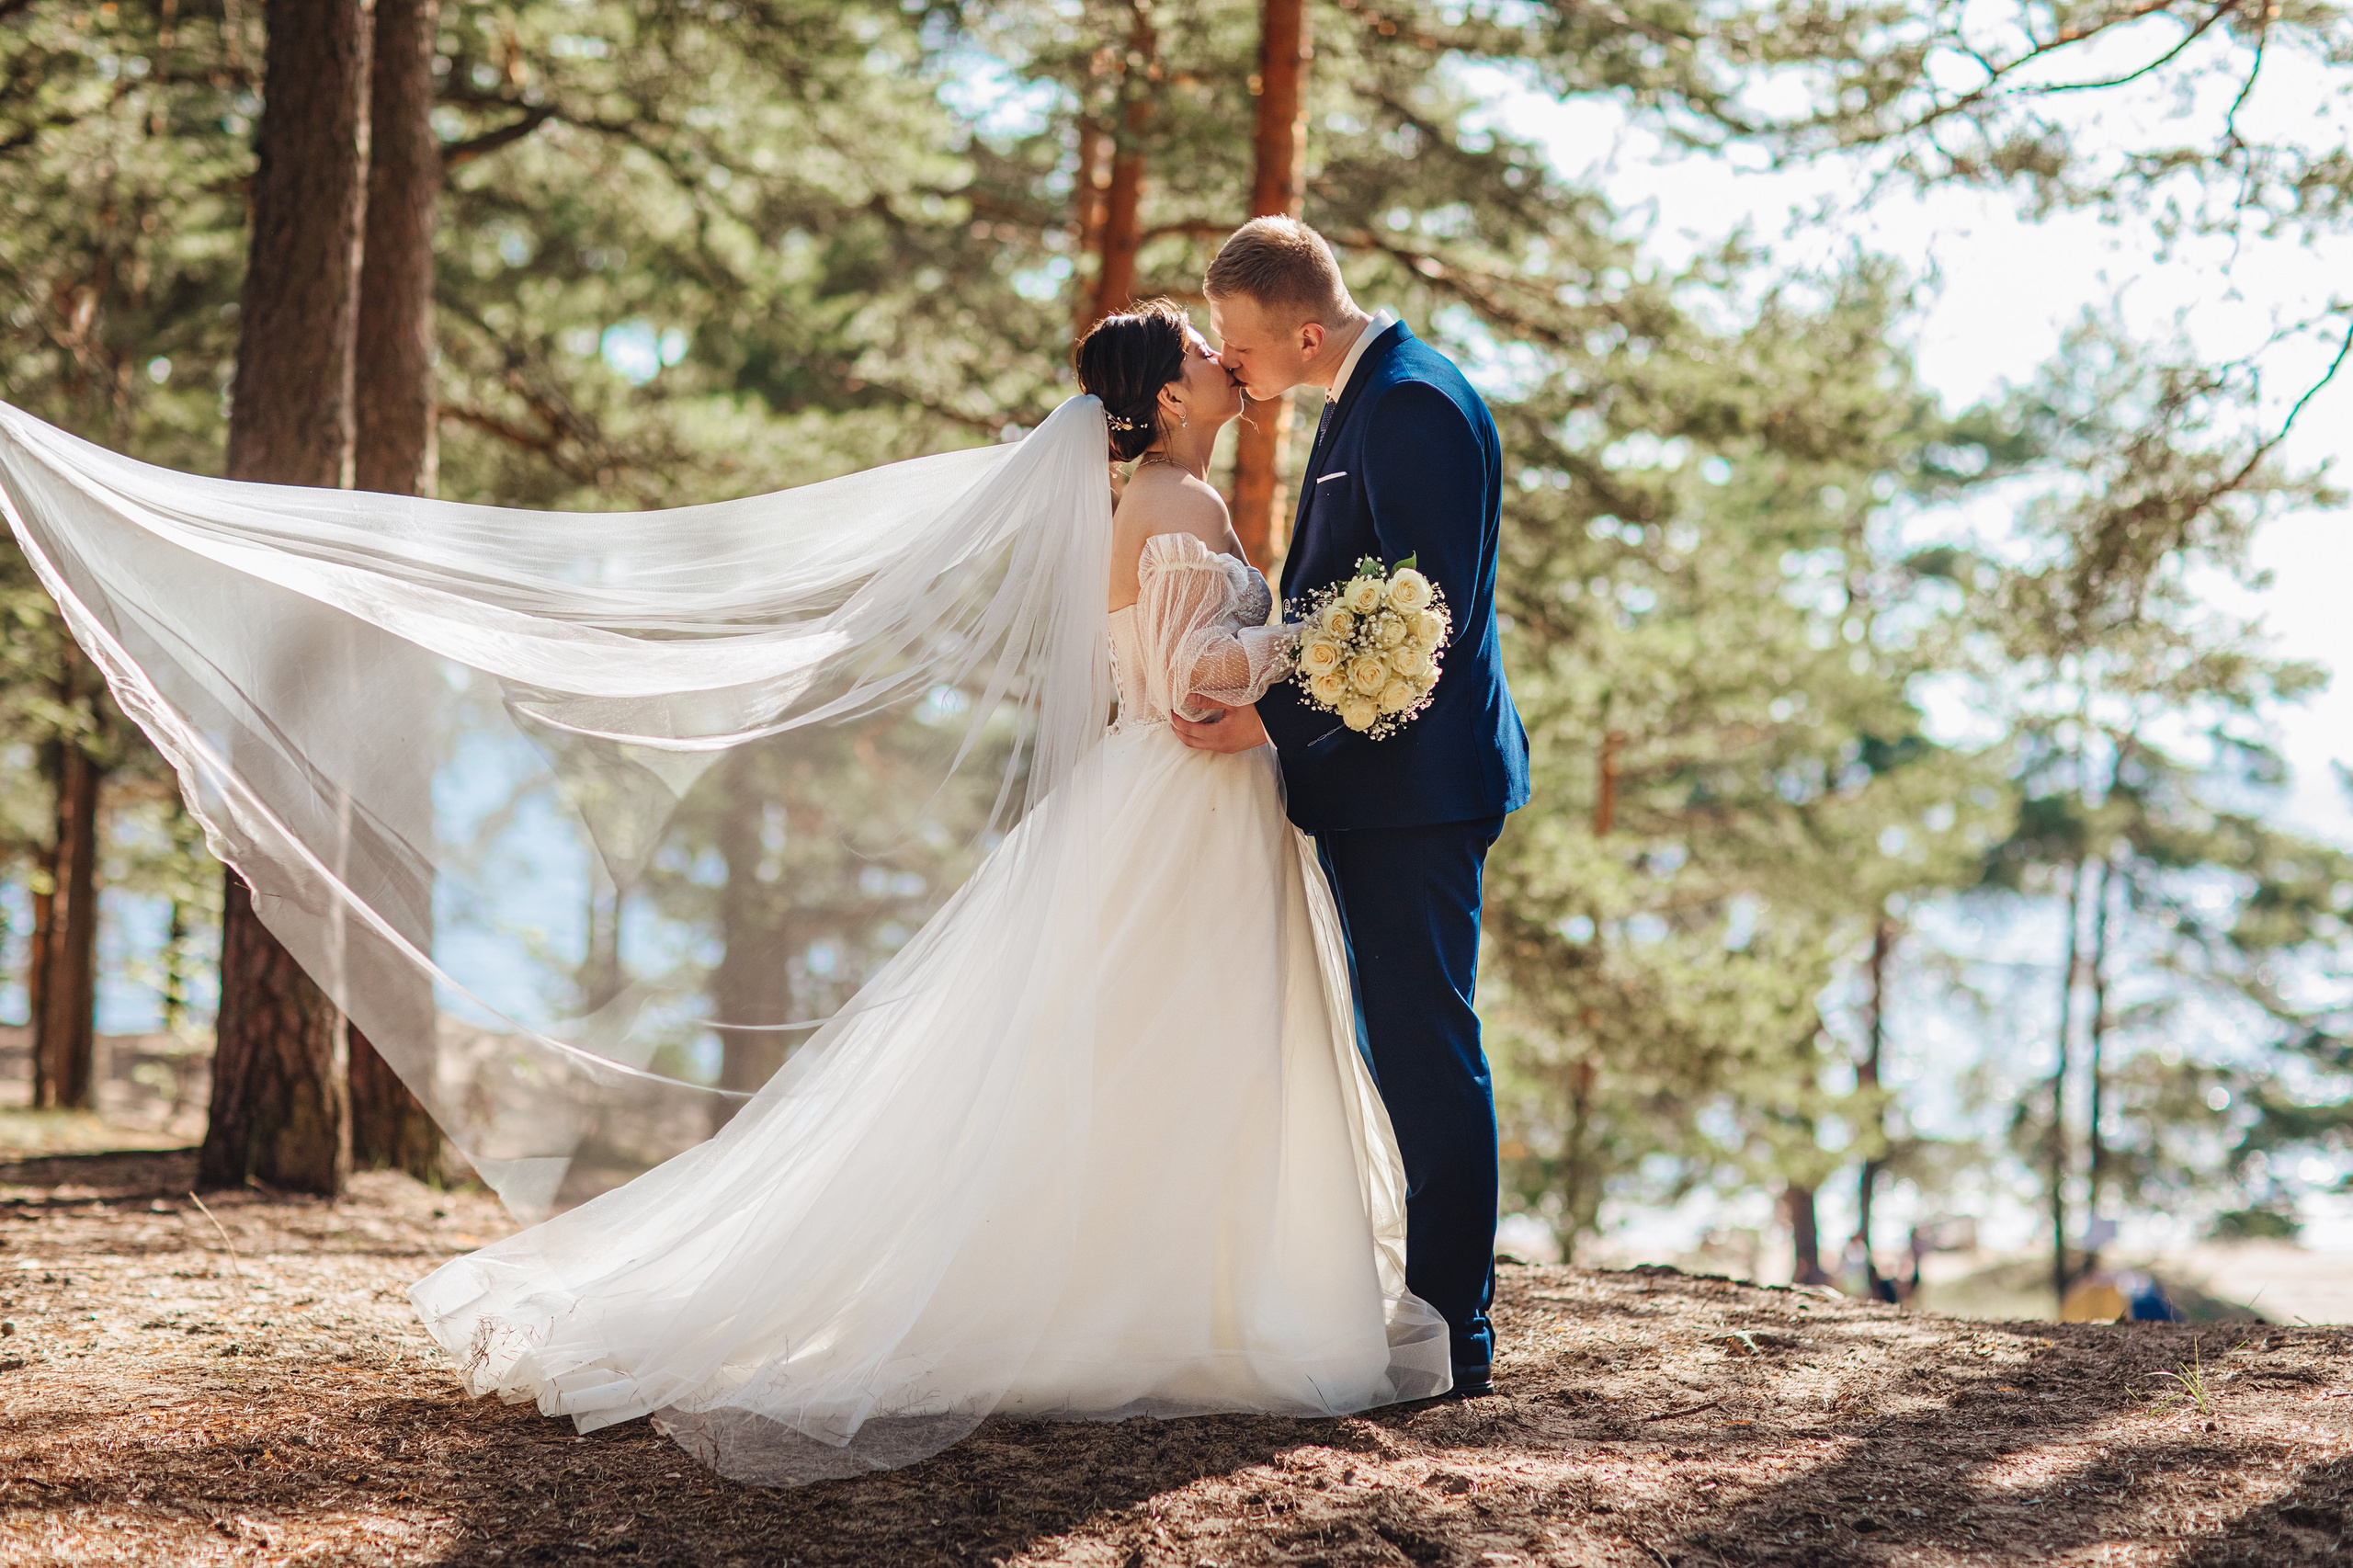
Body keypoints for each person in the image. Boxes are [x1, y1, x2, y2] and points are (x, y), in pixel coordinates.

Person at [412, 302, 1448, 1481]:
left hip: (1193, 798)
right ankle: (1179, 1302)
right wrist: (1312, 648)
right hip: (1187, 797)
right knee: (1187, 1036)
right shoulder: (1177, 501)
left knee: (1166, 1041)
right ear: (1165, 399)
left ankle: (1176, 1289)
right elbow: (1178, 680)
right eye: (1202, 357)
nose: (1223, 363)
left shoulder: (1159, 499)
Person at [1180, 218, 1531, 1396]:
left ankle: (1449, 1328)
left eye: (1237, 340)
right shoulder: (1367, 392)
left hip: (1414, 795)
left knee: (1427, 1049)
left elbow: (1424, 628)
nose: (1230, 363)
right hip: (1380, 787)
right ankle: (1432, 1309)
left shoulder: (1414, 402)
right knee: (1404, 1042)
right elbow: (1360, 609)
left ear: (1307, 331)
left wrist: (1275, 725)